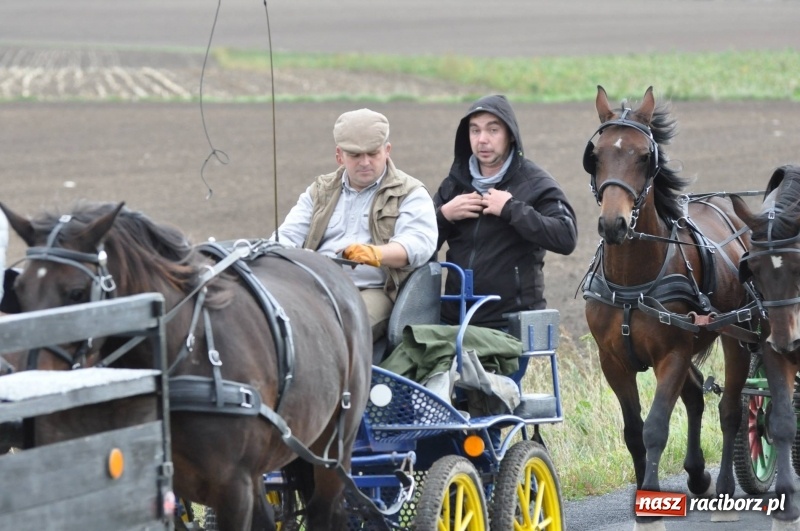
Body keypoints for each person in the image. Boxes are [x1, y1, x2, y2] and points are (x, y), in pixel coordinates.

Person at [272, 108, 437, 343]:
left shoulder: (410, 193)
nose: (365, 162)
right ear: (339, 155)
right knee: (269, 319)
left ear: (387, 151)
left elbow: (419, 244)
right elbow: (288, 235)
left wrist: (375, 253)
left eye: (373, 153)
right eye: (355, 155)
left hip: (375, 291)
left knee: (338, 329)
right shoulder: (319, 191)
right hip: (317, 285)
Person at [434, 94, 577, 330]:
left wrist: (511, 209)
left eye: (493, 130)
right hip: (454, 317)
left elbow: (566, 236)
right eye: (475, 131)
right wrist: (443, 216)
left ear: (510, 134)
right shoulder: (453, 185)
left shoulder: (535, 183)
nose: (482, 140)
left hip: (511, 322)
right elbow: (418, 244)